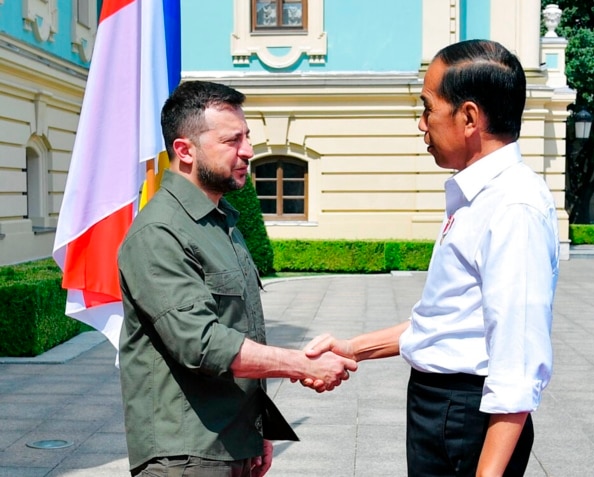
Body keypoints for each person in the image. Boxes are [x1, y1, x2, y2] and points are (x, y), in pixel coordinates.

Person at [302, 39, 560, 477]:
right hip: (442, 409)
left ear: (469, 118)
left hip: (468, 416)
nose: (421, 124)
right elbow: (447, 322)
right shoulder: (475, 198)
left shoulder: (512, 207)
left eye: (427, 108)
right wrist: (353, 348)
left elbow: (517, 364)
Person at [117, 81, 358, 477]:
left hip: (231, 444)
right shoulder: (159, 232)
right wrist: (301, 364)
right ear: (184, 150)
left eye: (247, 137)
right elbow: (203, 343)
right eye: (232, 140)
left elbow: (243, 330)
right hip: (187, 456)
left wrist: (259, 427)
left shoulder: (221, 221)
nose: (247, 150)